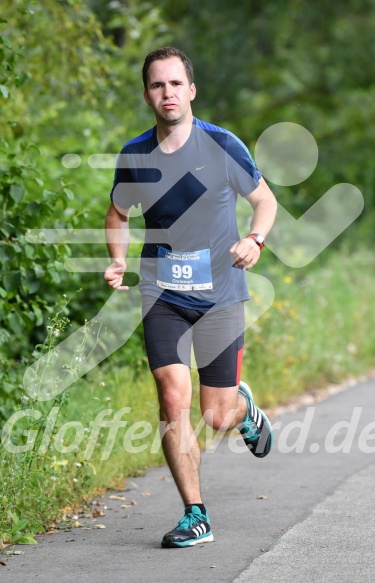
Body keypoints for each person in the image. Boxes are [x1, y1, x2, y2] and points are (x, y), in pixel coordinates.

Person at [104, 47, 277, 548]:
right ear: (147, 96)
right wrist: (117, 259)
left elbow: (264, 201)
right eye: (158, 86)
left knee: (216, 416)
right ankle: (194, 514)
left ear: (191, 90)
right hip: (163, 291)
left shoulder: (222, 145)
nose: (168, 93)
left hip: (221, 295)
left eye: (176, 84)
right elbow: (118, 213)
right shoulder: (136, 155)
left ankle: (241, 408)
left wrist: (255, 239)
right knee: (171, 395)